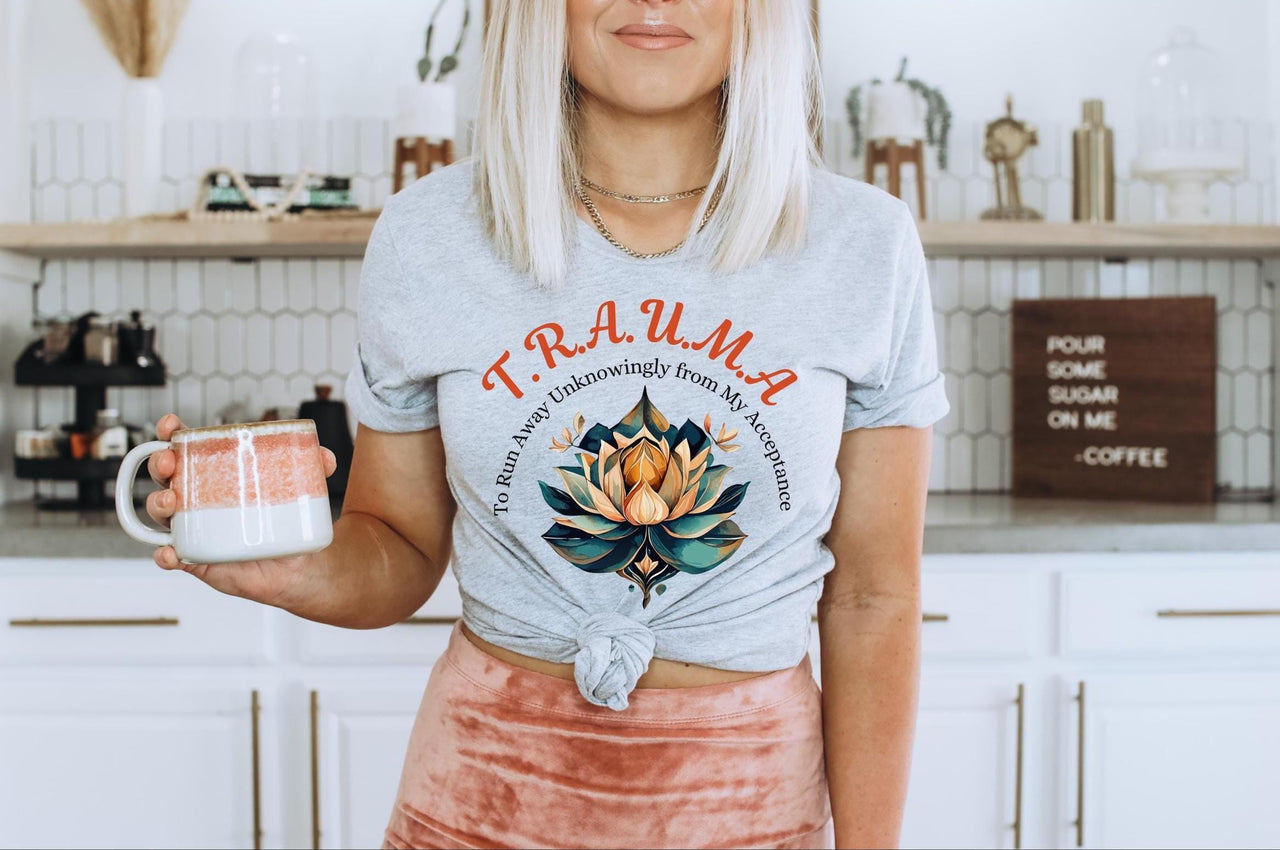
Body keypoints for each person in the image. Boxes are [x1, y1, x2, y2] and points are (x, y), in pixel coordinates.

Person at [142, 0, 950, 846]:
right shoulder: (430, 236)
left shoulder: (864, 243)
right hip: (479, 795)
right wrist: (287, 570)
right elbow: (400, 547)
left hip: (755, 801)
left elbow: (871, 598)